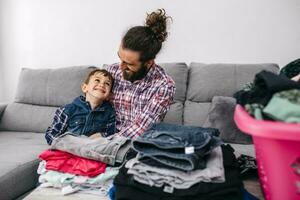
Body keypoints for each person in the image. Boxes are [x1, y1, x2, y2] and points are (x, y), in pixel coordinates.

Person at [107, 8, 176, 139]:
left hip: (133, 144)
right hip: (100, 139)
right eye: (120, 58)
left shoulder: (164, 86)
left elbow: (141, 129)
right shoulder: (111, 71)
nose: (120, 67)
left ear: (149, 63)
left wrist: (102, 144)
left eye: (129, 64)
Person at [45, 69, 116, 145]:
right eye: (97, 80)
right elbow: (51, 134)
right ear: (85, 88)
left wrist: (102, 136)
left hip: (92, 149)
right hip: (69, 148)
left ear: (109, 95)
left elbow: (112, 135)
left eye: (107, 84)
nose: (102, 84)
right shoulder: (68, 110)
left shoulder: (110, 113)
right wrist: (65, 144)